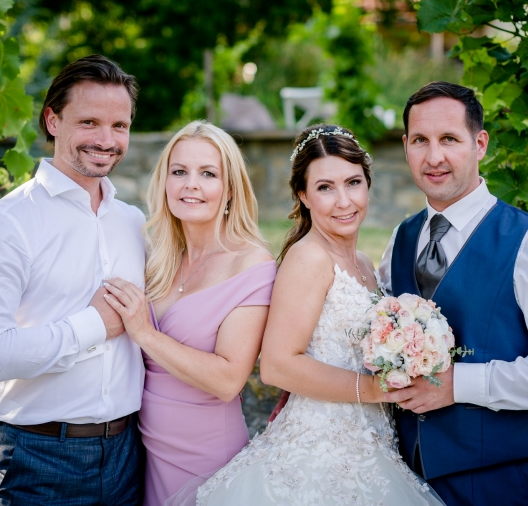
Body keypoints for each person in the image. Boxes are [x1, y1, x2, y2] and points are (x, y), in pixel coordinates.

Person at [159, 123, 444, 505]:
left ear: (368, 185)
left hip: (368, 444)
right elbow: (277, 366)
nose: (343, 201)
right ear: (304, 196)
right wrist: (375, 389)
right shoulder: (309, 256)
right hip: (319, 452)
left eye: (353, 183)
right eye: (325, 187)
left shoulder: (362, 262)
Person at [378, 81, 528, 505]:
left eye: (449, 139)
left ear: (479, 144)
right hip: (406, 480)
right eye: (420, 141)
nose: (434, 157)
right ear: (405, 145)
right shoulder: (400, 239)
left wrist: (458, 384)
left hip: (501, 485)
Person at [0, 55, 145, 506]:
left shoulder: (135, 223)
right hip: (39, 457)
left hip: (130, 453)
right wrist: (93, 325)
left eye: (120, 125)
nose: (106, 140)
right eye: (90, 122)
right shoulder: (4, 226)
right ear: (53, 120)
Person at [99, 120, 276, 506]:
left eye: (207, 173)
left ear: (229, 191)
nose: (190, 184)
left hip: (207, 458)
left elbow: (229, 379)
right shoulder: (155, 259)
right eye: (179, 172)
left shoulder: (251, 264)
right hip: (141, 455)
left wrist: (146, 333)